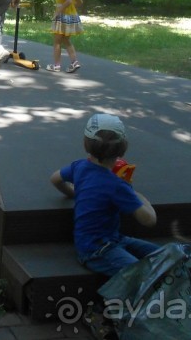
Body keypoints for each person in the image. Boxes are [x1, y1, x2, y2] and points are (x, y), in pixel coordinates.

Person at [50, 113, 159, 277]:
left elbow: (55, 179)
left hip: (112, 240)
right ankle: (118, 302)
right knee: (143, 272)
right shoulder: (117, 185)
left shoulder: (79, 167)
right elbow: (149, 220)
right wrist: (141, 198)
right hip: (96, 251)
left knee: (164, 256)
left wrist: (75, 192)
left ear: (86, 143)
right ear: (123, 147)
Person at [47, 0, 83, 72]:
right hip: (71, 18)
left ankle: (57, 65)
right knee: (67, 41)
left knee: (57, 42)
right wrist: (71, 8)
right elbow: (80, 2)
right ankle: (74, 62)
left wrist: (58, 11)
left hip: (62, 18)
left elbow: (68, 1)